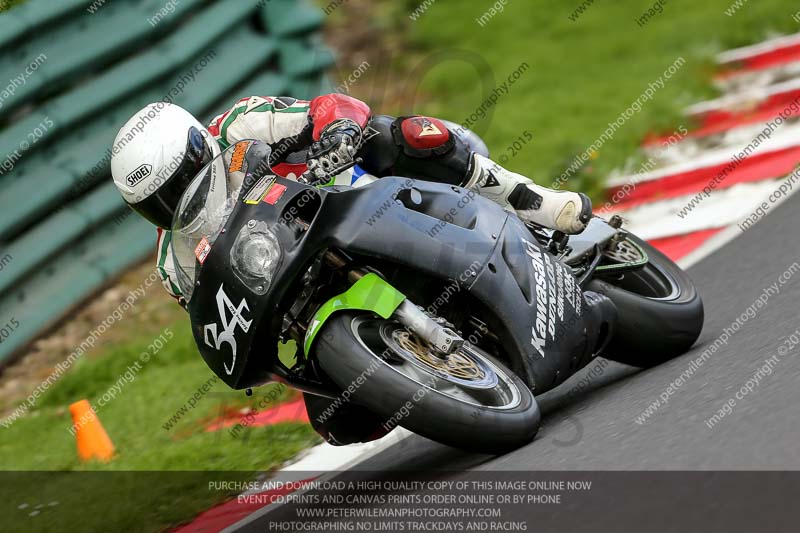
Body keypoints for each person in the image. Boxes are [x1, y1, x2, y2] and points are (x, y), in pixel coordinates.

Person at [110, 93, 592, 445]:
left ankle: (535, 202)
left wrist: (337, 131)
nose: (176, 202)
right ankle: (432, 368)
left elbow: (329, 105)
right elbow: (219, 314)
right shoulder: (173, 262)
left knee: (398, 134)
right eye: (159, 202)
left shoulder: (239, 123)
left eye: (179, 181)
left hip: (359, 198)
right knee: (339, 422)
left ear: (199, 143)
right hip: (299, 281)